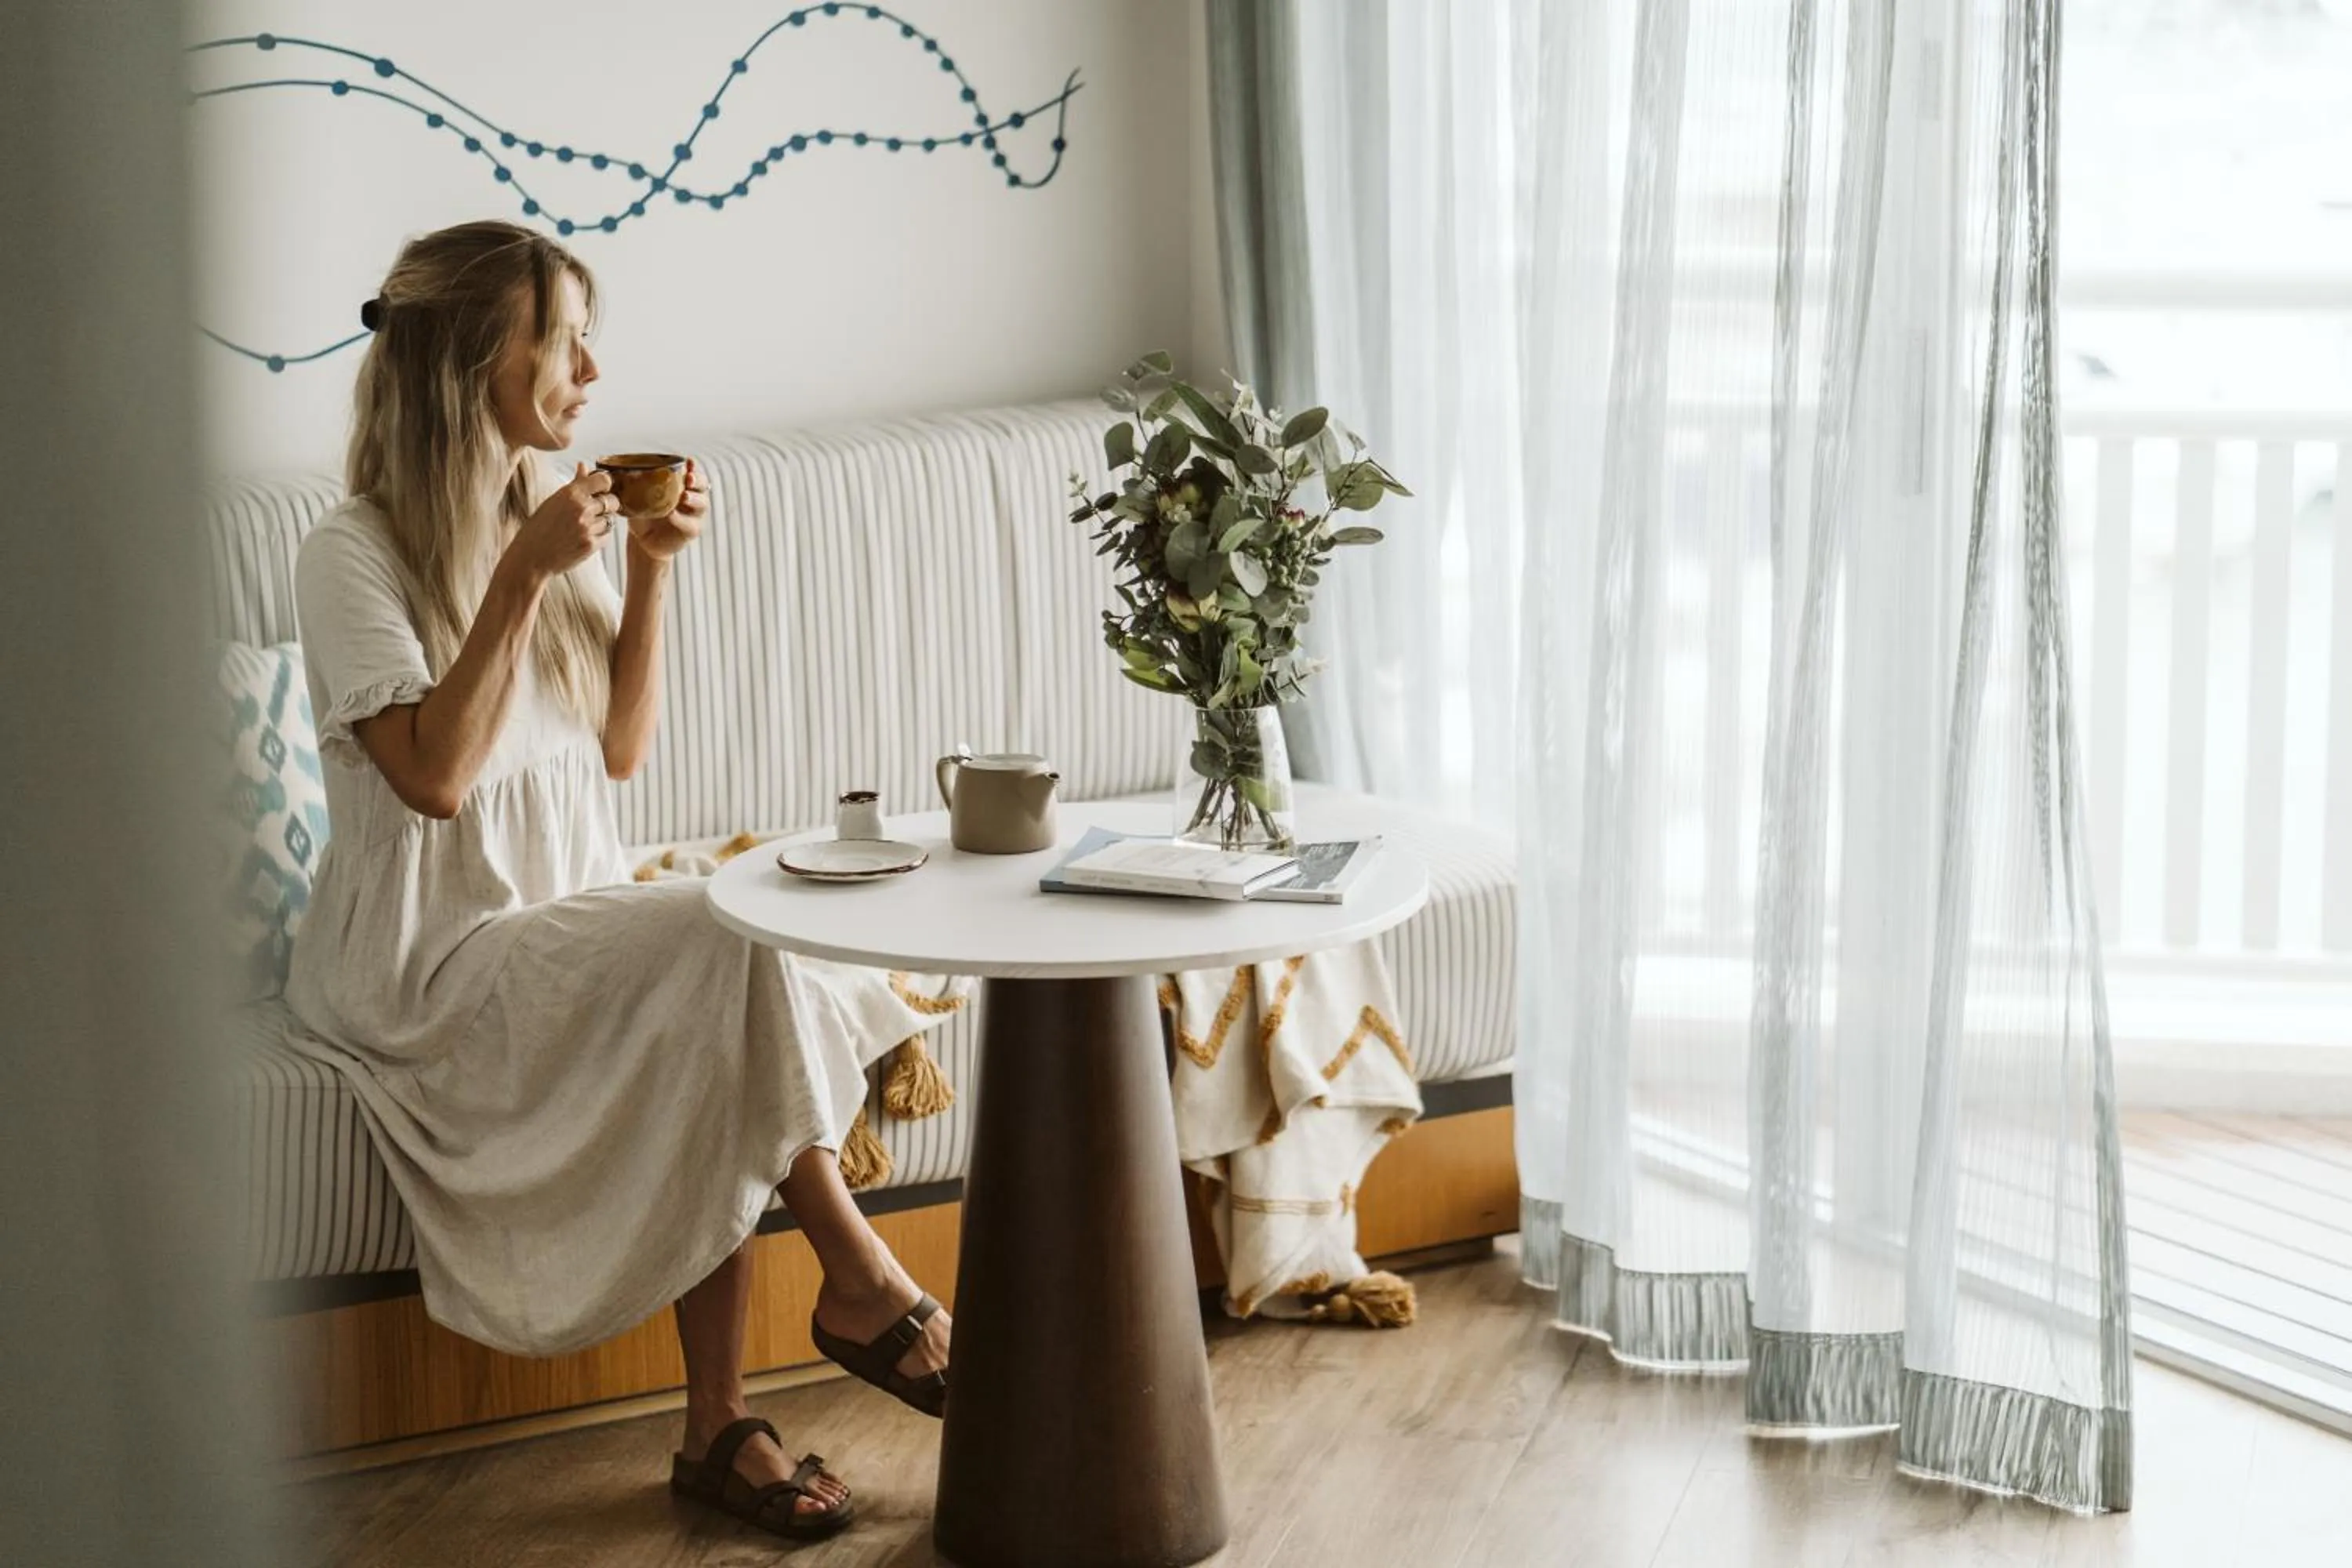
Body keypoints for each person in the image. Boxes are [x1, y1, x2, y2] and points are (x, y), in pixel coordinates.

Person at [285, 220, 946, 1542]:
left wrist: (647, 571)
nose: (592, 371)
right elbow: (435, 778)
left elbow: (622, 749)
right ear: (476, 356)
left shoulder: (538, 514)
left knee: (718, 959)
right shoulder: (351, 552)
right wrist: (524, 576)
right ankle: (863, 1281)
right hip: (433, 965)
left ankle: (720, 1426)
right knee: (718, 938)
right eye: (564, 341)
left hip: (560, 915)